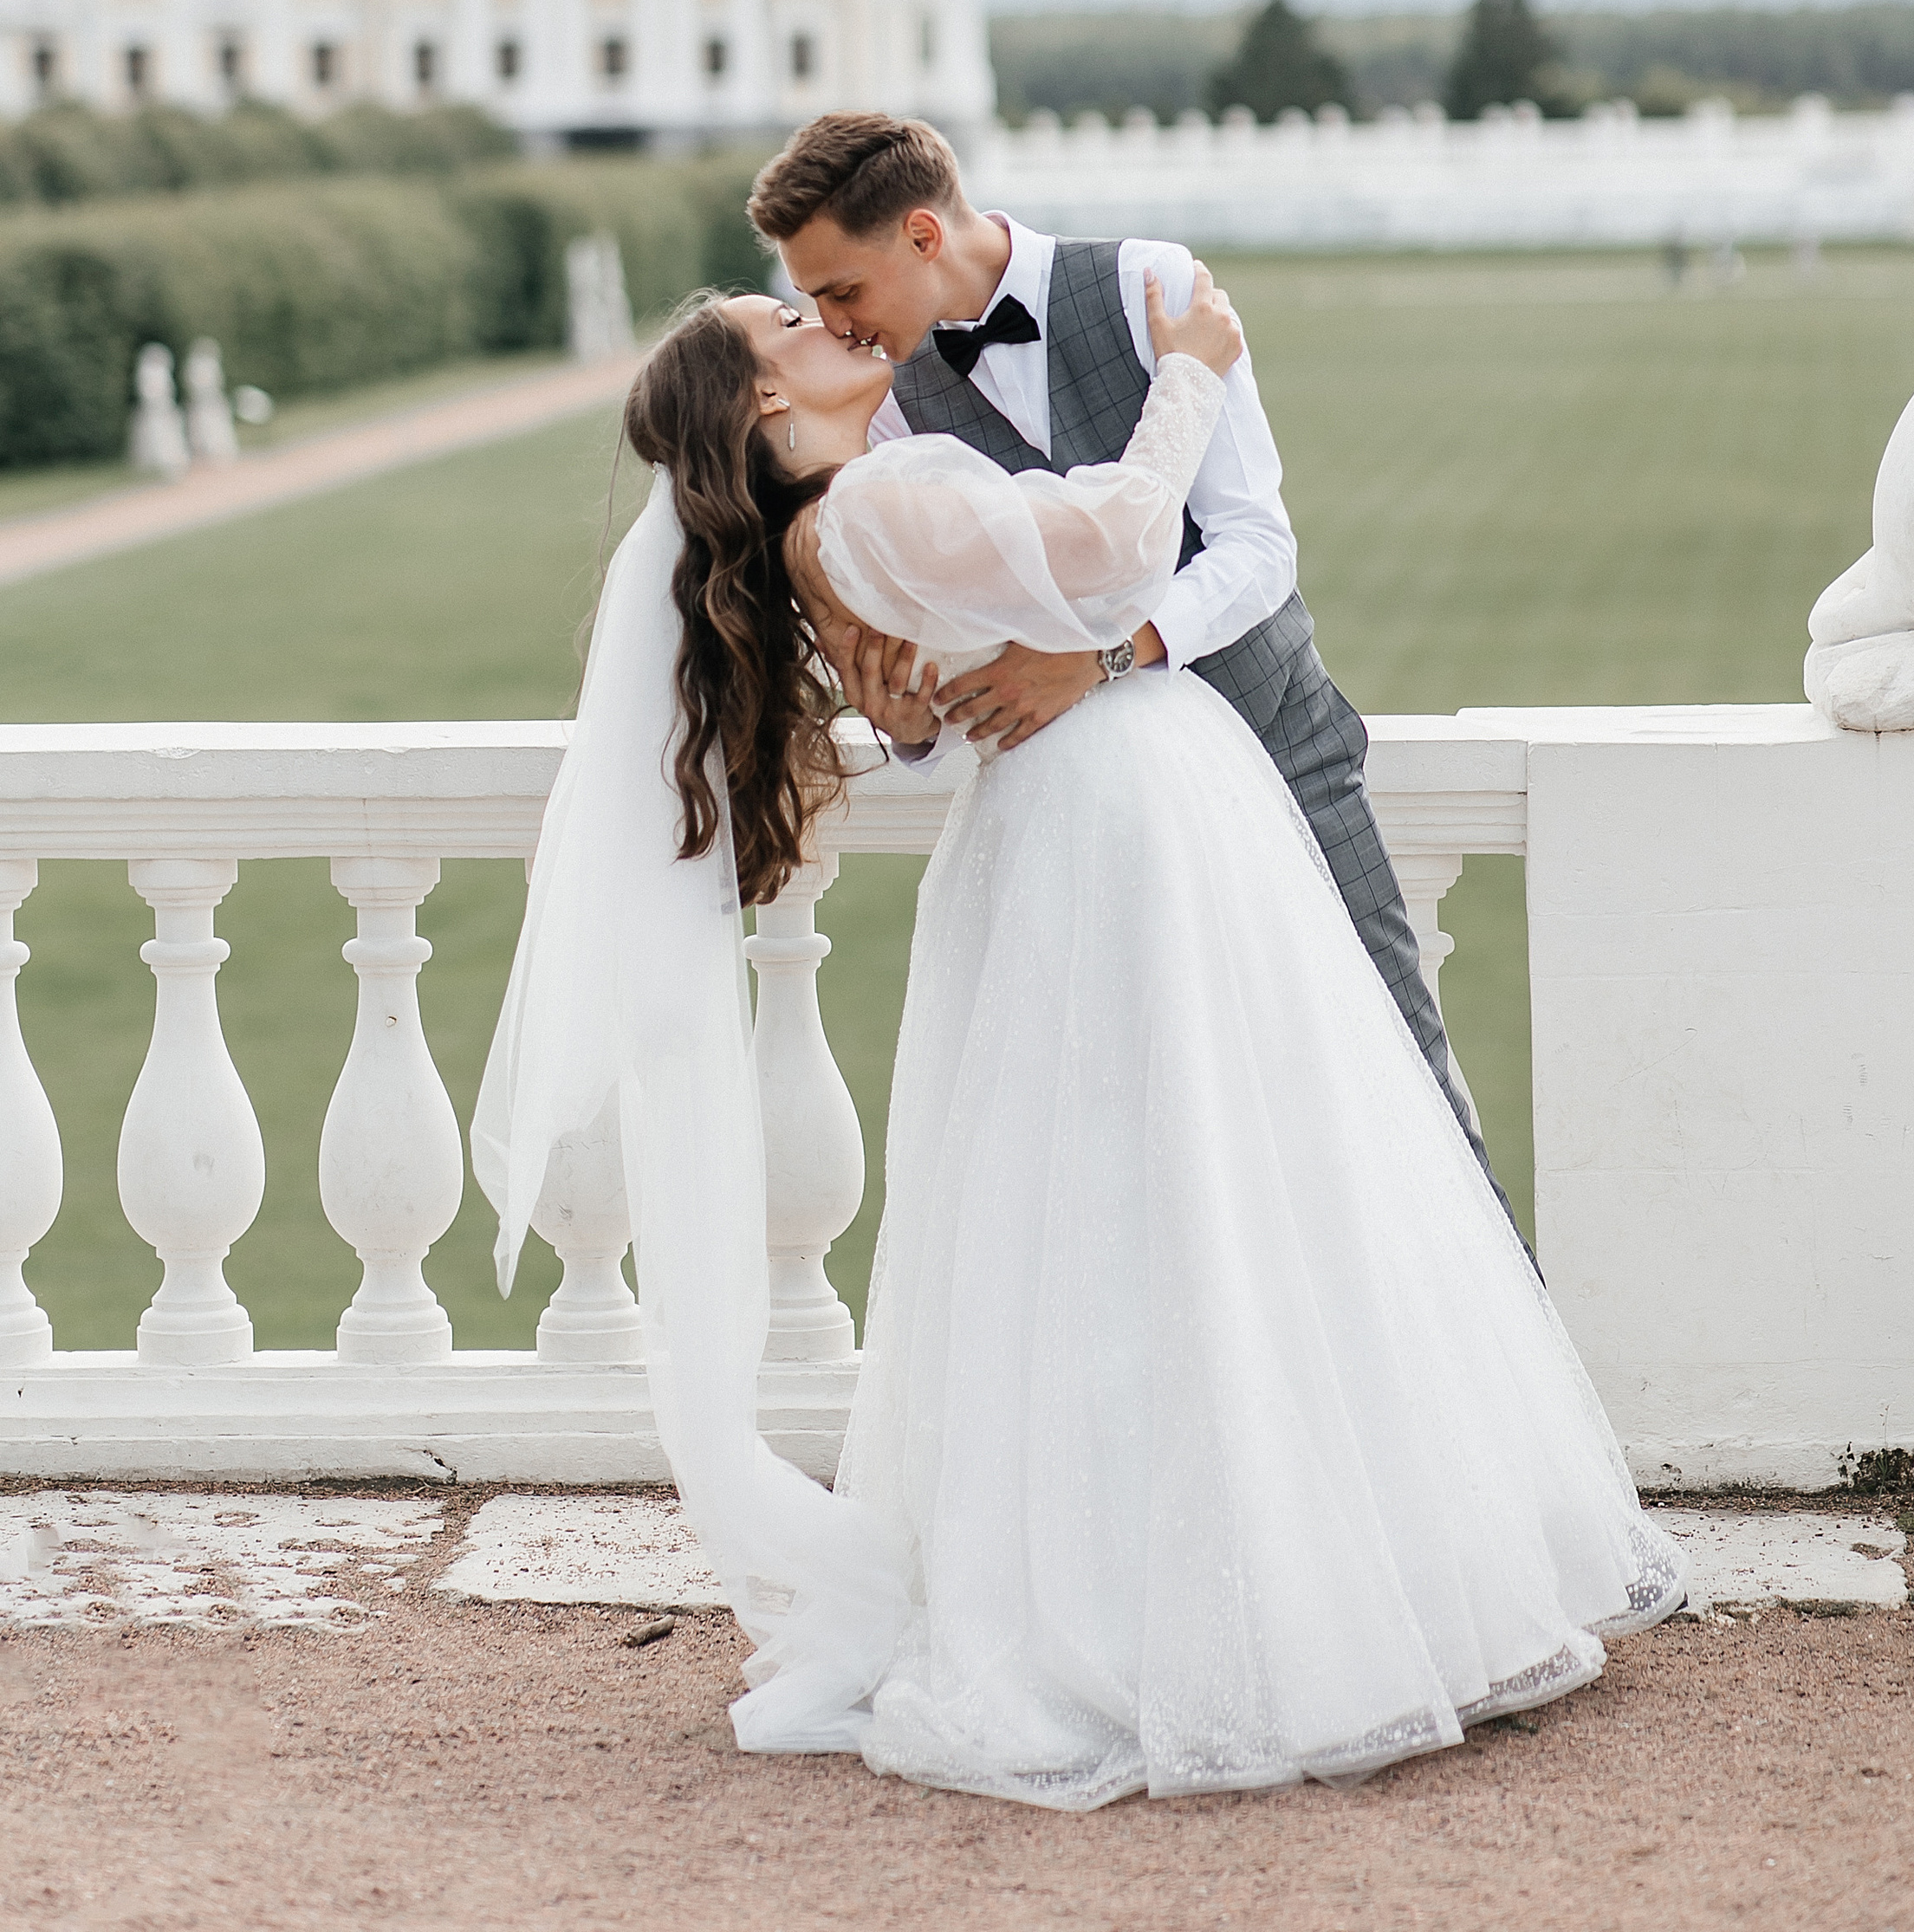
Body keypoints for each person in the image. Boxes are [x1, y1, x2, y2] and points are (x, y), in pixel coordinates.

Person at [474, 264, 1684, 1811]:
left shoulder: (823, 532)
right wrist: (1192, 368)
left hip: (1075, 821)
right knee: (1205, 1183)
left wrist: (916, 704)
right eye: (784, 324)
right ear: (765, 399)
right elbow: (1116, 552)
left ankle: (1186, 1572)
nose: (812, 314)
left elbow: (921, 702)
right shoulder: (881, 494)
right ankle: (1243, 1610)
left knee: (1110, 1218)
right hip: (1116, 817)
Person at [743, 112, 1521, 1235]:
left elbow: (1255, 548)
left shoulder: (1153, 290)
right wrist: (908, 721)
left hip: (1281, 757)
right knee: (1162, 1162)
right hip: (1103, 841)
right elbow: (939, 667)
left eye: (844, 292)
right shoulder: (889, 406)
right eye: (812, 304)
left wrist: (1107, 655)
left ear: (922, 234)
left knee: (1404, 1086)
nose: (834, 326)